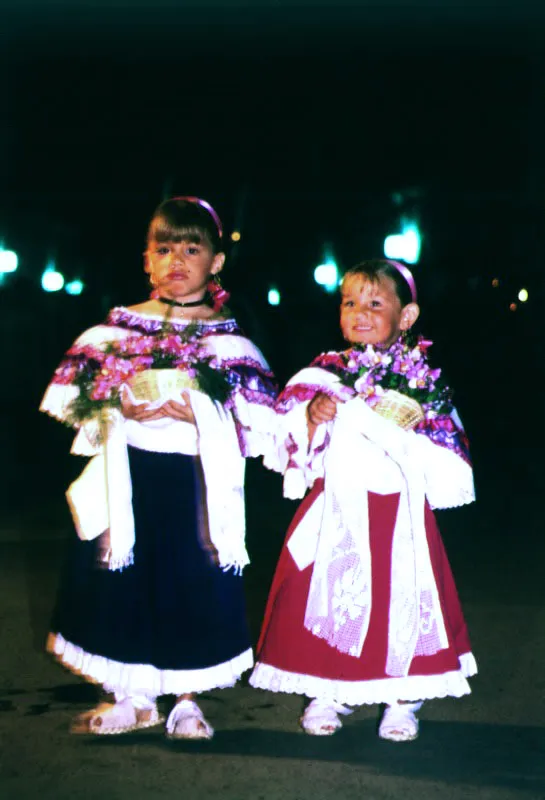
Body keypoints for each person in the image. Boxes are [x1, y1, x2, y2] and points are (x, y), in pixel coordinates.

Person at [40, 196, 278, 739]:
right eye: (164, 248)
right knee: (120, 581)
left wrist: (198, 411)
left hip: (193, 483)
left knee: (191, 583)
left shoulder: (229, 338)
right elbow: (75, 402)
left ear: (216, 261)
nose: (177, 259)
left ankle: (187, 699)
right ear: (146, 260)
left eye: (192, 248)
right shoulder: (118, 330)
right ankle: (130, 693)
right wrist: (114, 406)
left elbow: (257, 422)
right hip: (128, 476)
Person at [250, 258, 477, 742]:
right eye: (350, 302)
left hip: (397, 512)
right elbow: (287, 433)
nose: (360, 313)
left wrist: (405, 436)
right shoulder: (324, 372)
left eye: (375, 303)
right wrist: (314, 414)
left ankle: (401, 697)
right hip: (335, 508)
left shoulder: (422, 382)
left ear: (407, 316)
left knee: (401, 602)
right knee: (324, 592)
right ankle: (325, 686)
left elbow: (446, 447)